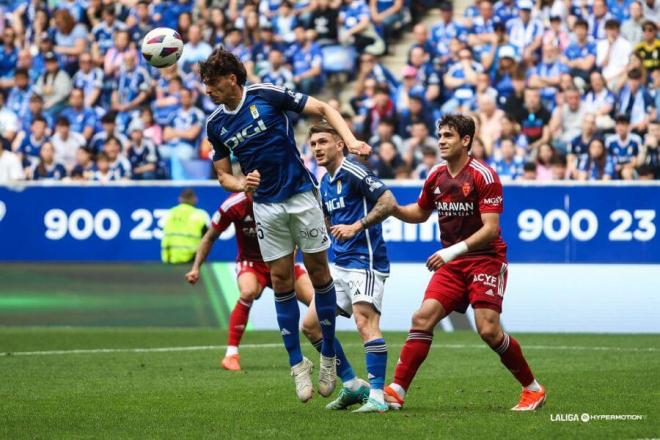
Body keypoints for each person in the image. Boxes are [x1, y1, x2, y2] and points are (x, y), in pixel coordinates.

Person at [200, 48, 371, 402]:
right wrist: (240, 184)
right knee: (280, 280)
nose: (207, 91)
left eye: (212, 83)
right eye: (205, 85)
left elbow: (323, 109)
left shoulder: (265, 95)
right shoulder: (215, 123)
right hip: (265, 206)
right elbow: (222, 175)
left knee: (319, 275)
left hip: (300, 196)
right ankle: (297, 364)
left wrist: (351, 140)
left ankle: (327, 357)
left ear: (232, 79)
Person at [383, 114, 546, 412]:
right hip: (454, 264)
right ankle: (396, 390)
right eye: (440, 135)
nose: (441, 141)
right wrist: (392, 210)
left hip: (485, 259)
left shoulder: (483, 176)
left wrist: (451, 251)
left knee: (488, 331)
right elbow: (420, 212)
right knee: (422, 318)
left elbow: (491, 229)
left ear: (466, 140)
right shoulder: (435, 175)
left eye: (448, 136)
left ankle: (532, 389)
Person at [185, 192, 362, 390]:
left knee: (317, 306)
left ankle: (345, 374)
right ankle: (231, 354)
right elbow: (210, 237)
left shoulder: (283, 196)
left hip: (284, 262)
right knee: (248, 291)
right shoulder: (233, 205)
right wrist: (195, 267)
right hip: (252, 263)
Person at [310, 123, 397, 412]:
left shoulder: (354, 171)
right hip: (340, 264)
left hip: (366, 261)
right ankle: (351, 384)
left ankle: (376, 396)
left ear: (340, 144)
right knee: (311, 326)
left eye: (323, 141)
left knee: (365, 323)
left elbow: (388, 201)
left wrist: (357, 226)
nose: (317, 148)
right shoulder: (323, 182)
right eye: (313, 144)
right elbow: (326, 220)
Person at [161, 189, 210, 264]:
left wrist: (166, 259)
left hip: (170, 259)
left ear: (180, 199)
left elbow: (166, 237)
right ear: (195, 199)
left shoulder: (170, 213)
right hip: (192, 261)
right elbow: (207, 240)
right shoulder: (201, 215)